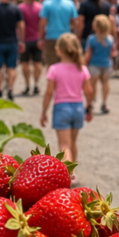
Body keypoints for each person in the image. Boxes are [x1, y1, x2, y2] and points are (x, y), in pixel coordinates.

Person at [39, 33, 95, 165]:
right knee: (73, 143)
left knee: (64, 145)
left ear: (58, 50)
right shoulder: (82, 69)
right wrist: (89, 107)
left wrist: (44, 111)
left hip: (61, 107)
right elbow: (89, 91)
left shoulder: (54, 69)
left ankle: (69, 174)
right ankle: (74, 171)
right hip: (78, 108)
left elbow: (49, 92)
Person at [40, 0, 81, 67]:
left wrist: (40, 37)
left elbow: (42, 22)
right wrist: (72, 31)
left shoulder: (47, 3)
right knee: (67, 63)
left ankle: (52, 80)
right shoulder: (70, 3)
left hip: (51, 37)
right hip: (66, 37)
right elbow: (75, 21)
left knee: (51, 65)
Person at [84, 14, 116, 114]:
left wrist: (84, 64)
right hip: (107, 64)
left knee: (92, 84)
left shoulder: (92, 39)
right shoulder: (110, 39)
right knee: (105, 83)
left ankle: (90, 103)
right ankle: (104, 103)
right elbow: (112, 53)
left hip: (94, 64)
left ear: (95, 26)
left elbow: (88, 54)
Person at [18, 0, 44, 96]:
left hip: (25, 40)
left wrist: (21, 40)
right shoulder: (40, 7)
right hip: (37, 39)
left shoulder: (20, 8)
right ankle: (37, 85)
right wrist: (42, 38)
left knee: (25, 64)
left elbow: (20, 26)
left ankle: (28, 85)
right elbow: (43, 24)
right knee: (38, 63)